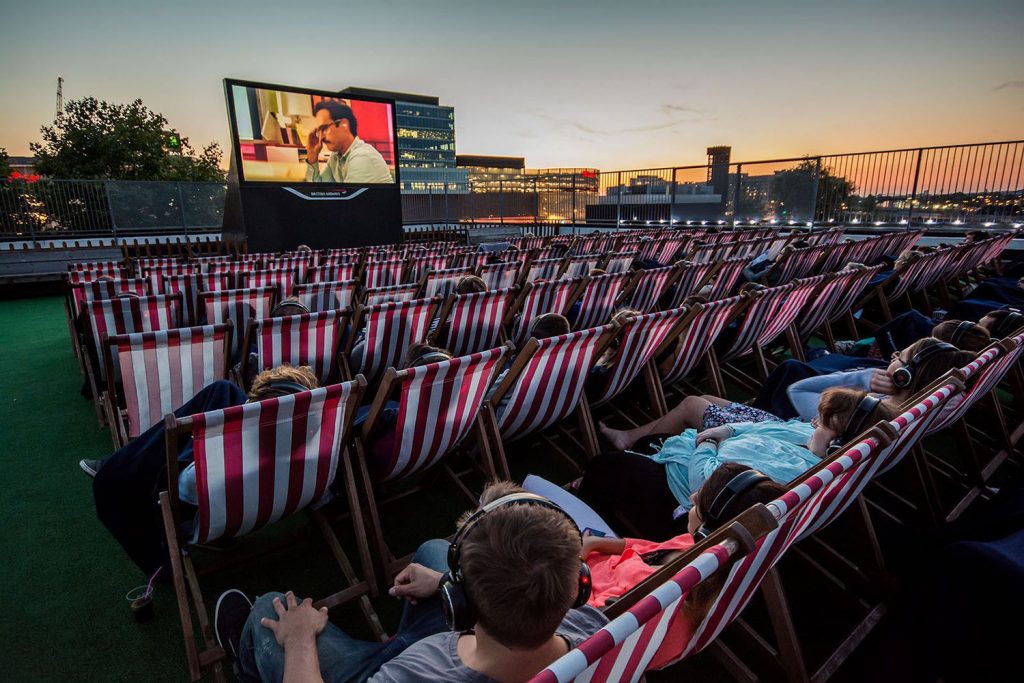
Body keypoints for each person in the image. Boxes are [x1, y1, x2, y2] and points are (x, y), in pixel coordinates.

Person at [216, 482, 608, 682]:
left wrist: (299, 639)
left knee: (271, 608)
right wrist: (442, 581)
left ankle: (246, 655)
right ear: (578, 587)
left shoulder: (406, 679)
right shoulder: (593, 625)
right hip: (467, 646)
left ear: (463, 601)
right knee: (435, 549)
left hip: (404, 664)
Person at [84, 365, 320, 575]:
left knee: (221, 391)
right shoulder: (315, 453)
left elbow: (185, 488)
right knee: (224, 392)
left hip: (207, 509)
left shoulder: (206, 474)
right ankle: (118, 464)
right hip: (266, 497)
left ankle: (116, 466)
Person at [580, 388, 895, 540]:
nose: (814, 421)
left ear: (838, 441)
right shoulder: (807, 436)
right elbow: (755, 428)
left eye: (824, 423)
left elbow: (704, 488)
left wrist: (707, 441)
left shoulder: (793, 469)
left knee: (602, 467)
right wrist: (725, 430)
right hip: (692, 459)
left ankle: (592, 525)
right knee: (647, 443)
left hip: (686, 505)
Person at [305, 100, 393, 184]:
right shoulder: (336, 157)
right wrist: (312, 155)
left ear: (344, 124)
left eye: (324, 128)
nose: (321, 137)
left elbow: (348, 198)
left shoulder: (362, 157)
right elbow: (319, 191)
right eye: (319, 131)